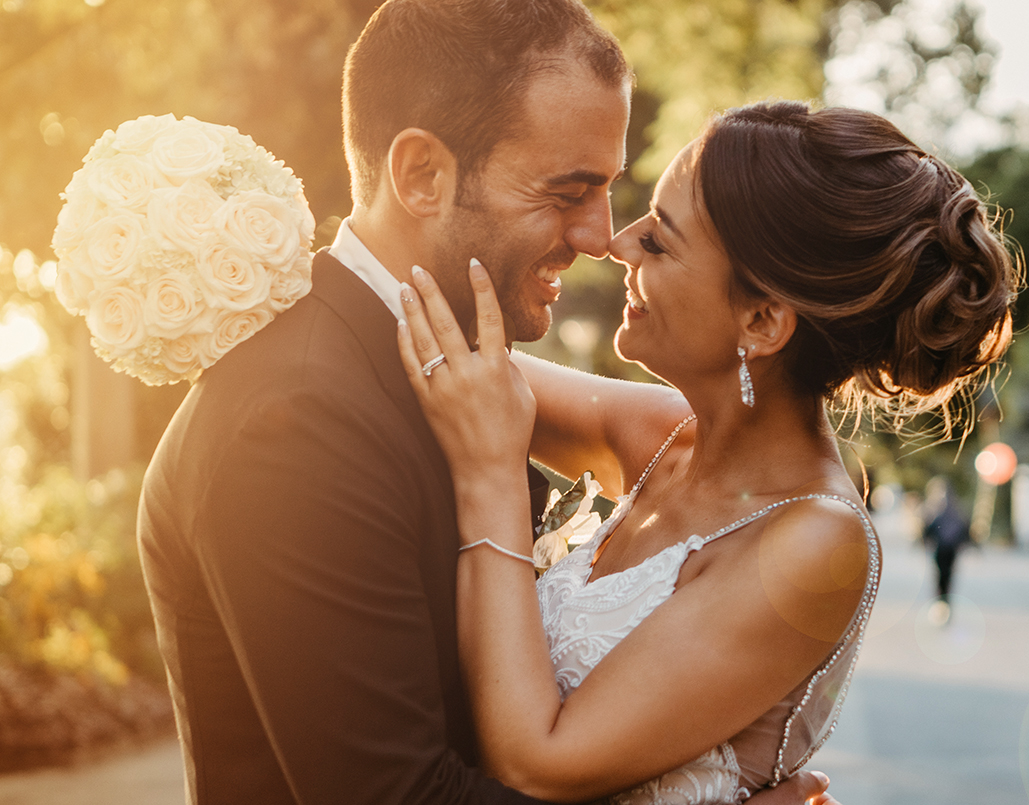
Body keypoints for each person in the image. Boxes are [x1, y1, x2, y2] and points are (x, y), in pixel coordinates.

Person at [136, 0, 835, 802]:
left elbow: (742, 447)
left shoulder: (444, 375)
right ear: (423, 176)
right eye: (569, 190)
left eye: (606, 190)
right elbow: (402, 794)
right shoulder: (296, 421)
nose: (600, 235)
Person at [397, 100, 1019, 801]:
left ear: (762, 319)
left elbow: (536, 764)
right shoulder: (665, 433)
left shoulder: (816, 542)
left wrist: (490, 479)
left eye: (660, 241)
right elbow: (443, 356)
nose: (617, 244)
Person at [922, 477, 972, 605]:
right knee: (946, 573)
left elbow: (929, 527)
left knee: (942, 573)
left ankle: (942, 597)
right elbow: (964, 527)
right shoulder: (955, 508)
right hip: (949, 548)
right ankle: (944, 597)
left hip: (943, 547)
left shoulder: (936, 507)